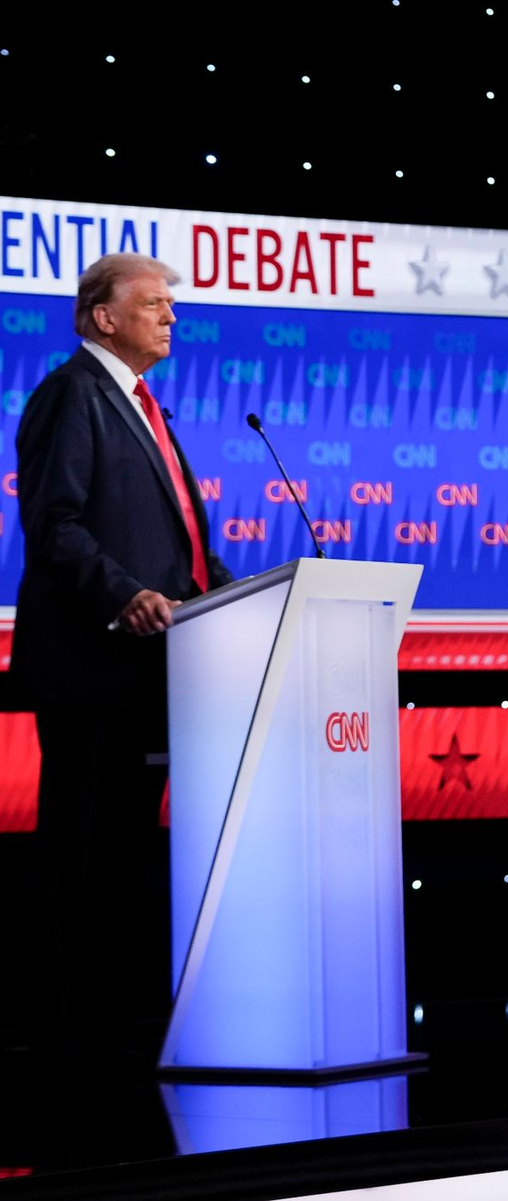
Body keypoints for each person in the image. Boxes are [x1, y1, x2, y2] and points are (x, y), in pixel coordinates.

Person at [12, 252, 233, 1062]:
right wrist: (123, 594)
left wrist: (245, 593)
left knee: (123, 856)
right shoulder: (73, 395)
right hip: (92, 671)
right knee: (81, 851)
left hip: (152, 672)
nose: (171, 316)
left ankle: (107, 1026)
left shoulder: (146, 407)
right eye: (154, 304)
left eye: (171, 305)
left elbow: (183, 547)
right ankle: (59, 1039)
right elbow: (55, 523)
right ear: (103, 317)